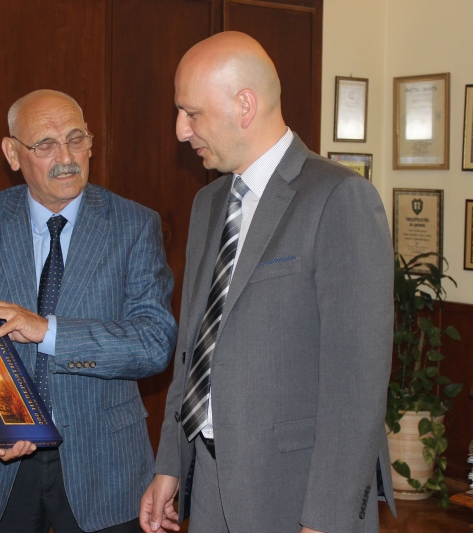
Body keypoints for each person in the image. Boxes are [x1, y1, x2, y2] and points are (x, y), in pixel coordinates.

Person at [140, 32, 396, 533]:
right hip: (209, 484)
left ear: (245, 105)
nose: (180, 130)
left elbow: (356, 383)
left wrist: (327, 519)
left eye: (191, 113)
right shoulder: (208, 203)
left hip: (295, 494)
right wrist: (170, 463)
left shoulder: (339, 198)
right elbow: (193, 350)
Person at [0, 89, 178, 533]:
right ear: (13, 153)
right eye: (46, 144)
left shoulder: (134, 225)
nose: (66, 157)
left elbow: (153, 343)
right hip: (3, 467)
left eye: (76, 139)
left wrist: (47, 330)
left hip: (104, 464)